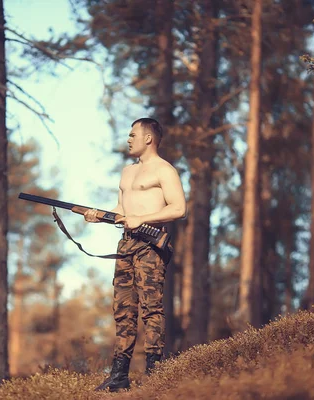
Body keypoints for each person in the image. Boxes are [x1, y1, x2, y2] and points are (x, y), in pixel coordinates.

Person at [85, 117, 186, 392]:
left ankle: (155, 373)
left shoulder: (165, 170)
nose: (128, 139)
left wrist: (142, 218)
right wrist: (98, 216)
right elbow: (121, 212)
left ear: (149, 138)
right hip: (126, 246)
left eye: (133, 134)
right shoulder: (127, 172)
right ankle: (119, 376)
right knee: (123, 310)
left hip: (151, 245)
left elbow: (178, 208)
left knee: (151, 309)